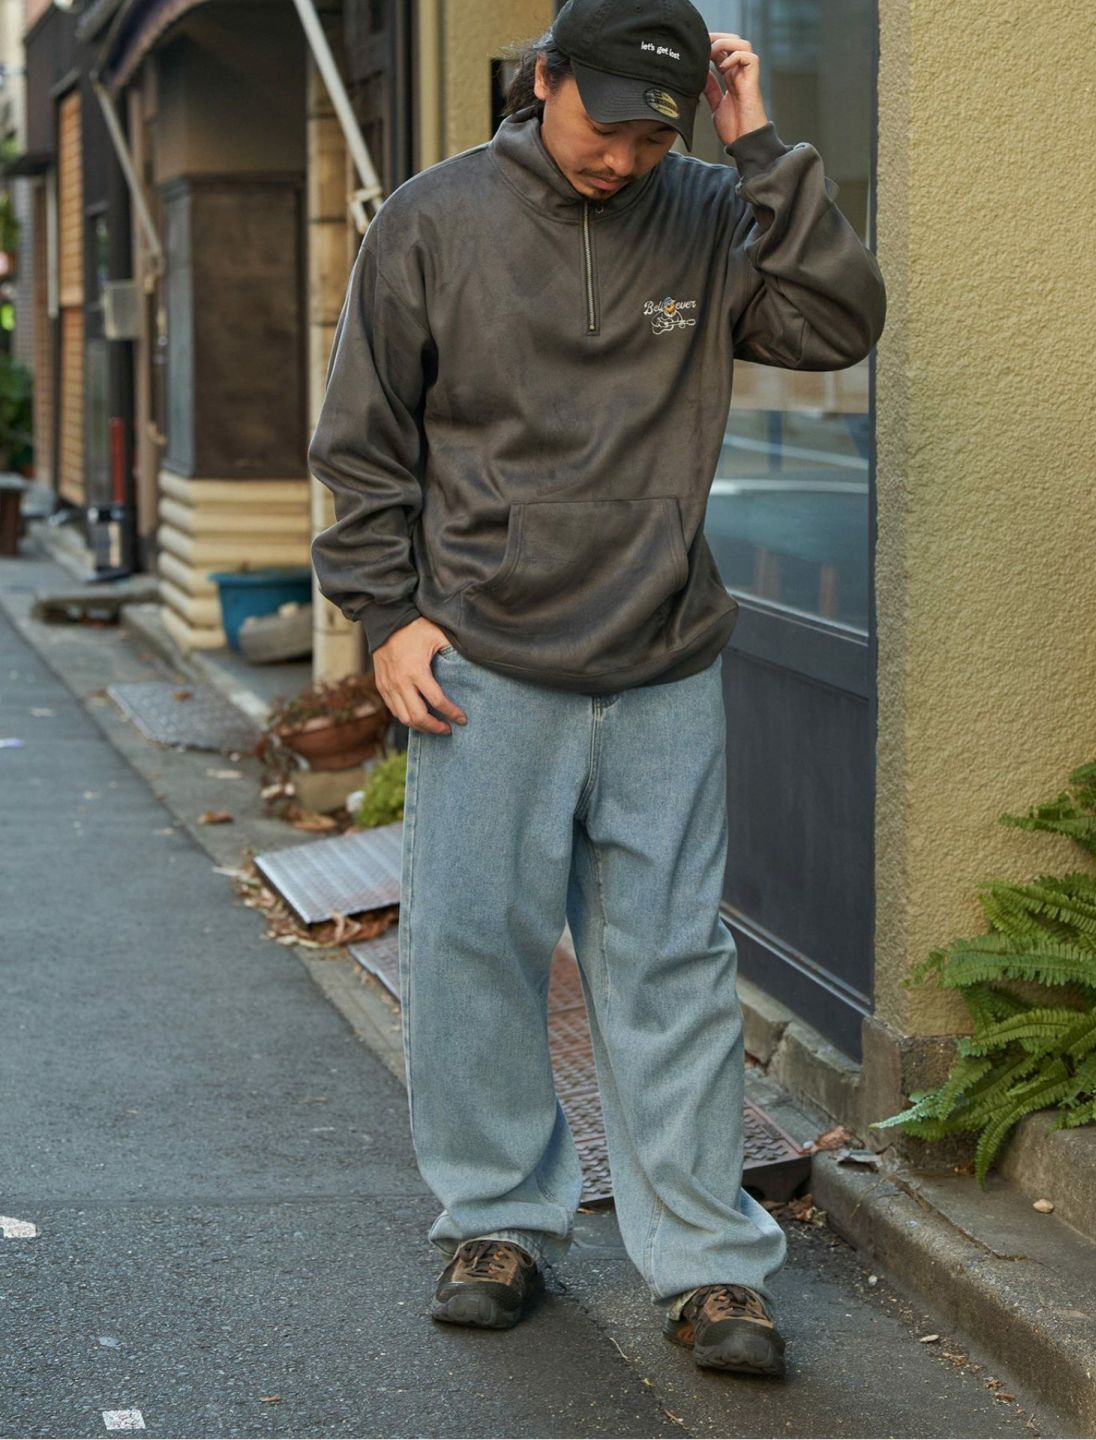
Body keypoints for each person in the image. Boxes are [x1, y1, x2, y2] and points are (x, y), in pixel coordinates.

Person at [307, 0, 886, 1380]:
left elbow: (834, 323)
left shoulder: (708, 209)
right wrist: (386, 616)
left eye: (653, 135)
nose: (621, 157)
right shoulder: (432, 221)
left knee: (673, 965)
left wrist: (761, 151)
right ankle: (497, 1222)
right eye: (604, 122)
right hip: (483, 660)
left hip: (662, 659)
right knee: (473, 952)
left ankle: (707, 1262)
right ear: (545, 77)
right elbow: (364, 438)